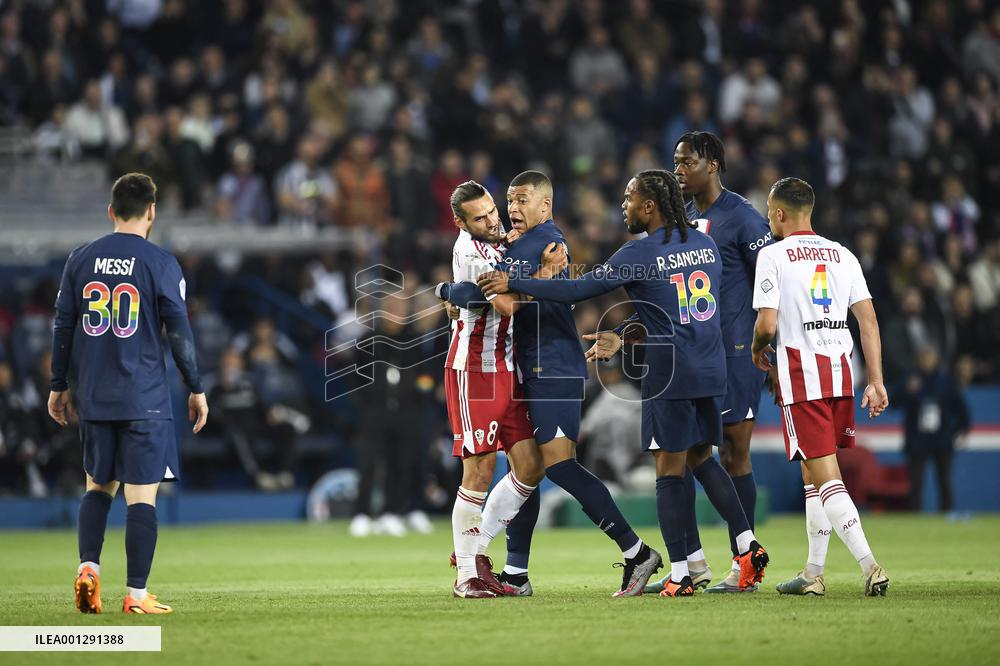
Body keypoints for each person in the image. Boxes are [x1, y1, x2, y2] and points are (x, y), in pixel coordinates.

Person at [478, 170, 766, 597]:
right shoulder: (705, 244)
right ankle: (747, 544)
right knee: (703, 459)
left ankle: (681, 574)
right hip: (712, 367)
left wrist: (514, 281)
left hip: (670, 371)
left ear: (649, 206)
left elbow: (577, 290)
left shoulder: (641, 252)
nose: (624, 206)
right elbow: (681, 307)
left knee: (668, 472)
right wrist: (628, 330)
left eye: (629, 199)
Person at [447, 171, 663, 597]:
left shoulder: (542, 242)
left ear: (545, 206)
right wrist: (455, 292)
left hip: (554, 366)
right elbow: (479, 290)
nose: (510, 209)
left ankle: (636, 552)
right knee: (523, 469)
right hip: (527, 366)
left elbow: (495, 296)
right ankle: (515, 573)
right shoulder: (510, 243)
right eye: (507, 200)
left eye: (521, 200)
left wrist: (451, 291)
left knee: (559, 465)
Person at [49, 173, 209, 615]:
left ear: (111, 211)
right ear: (153, 210)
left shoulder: (81, 259)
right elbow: (179, 333)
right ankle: (136, 596)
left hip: (95, 396)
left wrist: (58, 385)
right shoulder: (160, 263)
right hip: (146, 398)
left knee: (97, 488)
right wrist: (195, 386)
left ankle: (89, 570)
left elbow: (63, 327)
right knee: (142, 497)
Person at [750, 177, 890, 597]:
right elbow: (868, 321)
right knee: (813, 472)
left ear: (777, 213)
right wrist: (878, 380)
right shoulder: (842, 254)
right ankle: (813, 573)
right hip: (841, 375)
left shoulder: (773, 255)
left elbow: (767, 324)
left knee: (827, 476)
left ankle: (871, 566)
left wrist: (759, 349)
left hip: (801, 378)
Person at [651, 131, 774, 593]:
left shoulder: (742, 217)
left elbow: (770, 284)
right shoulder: (682, 220)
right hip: (691, 354)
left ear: (713, 165)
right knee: (678, 454)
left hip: (737, 353)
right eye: (676, 162)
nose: (678, 170)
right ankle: (691, 563)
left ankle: (745, 565)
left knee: (733, 452)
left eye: (687, 162)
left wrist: (772, 352)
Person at [436, 180, 547, 598]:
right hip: (474, 371)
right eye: (479, 218)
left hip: (506, 366)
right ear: (460, 222)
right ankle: (466, 575)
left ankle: (475, 549)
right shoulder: (469, 252)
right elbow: (506, 305)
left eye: (492, 211)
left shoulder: (497, 241)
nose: (491, 220)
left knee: (531, 465)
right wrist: (548, 276)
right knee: (479, 469)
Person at [896, 347, 970, 513]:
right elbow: (894, 401)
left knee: (944, 480)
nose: (927, 362)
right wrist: (907, 391)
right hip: (917, 440)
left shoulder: (945, 381)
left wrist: (958, 430)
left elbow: (961, 409)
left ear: (936, 360)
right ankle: (914, 515)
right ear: (918, 360)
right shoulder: (910, 378)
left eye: (930, 358)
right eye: (924, 357)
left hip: (941, 440)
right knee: (915, 482)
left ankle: (947, 513)